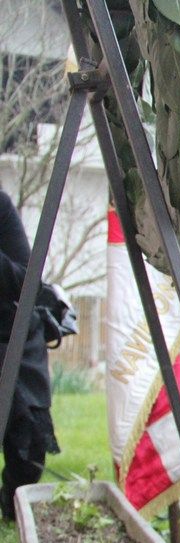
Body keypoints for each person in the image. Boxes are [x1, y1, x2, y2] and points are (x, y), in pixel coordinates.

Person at [0, 189, 58, 520]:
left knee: (30, 447)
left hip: (12, 335)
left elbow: (27, 279)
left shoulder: (1, 206)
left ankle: (11, 504)